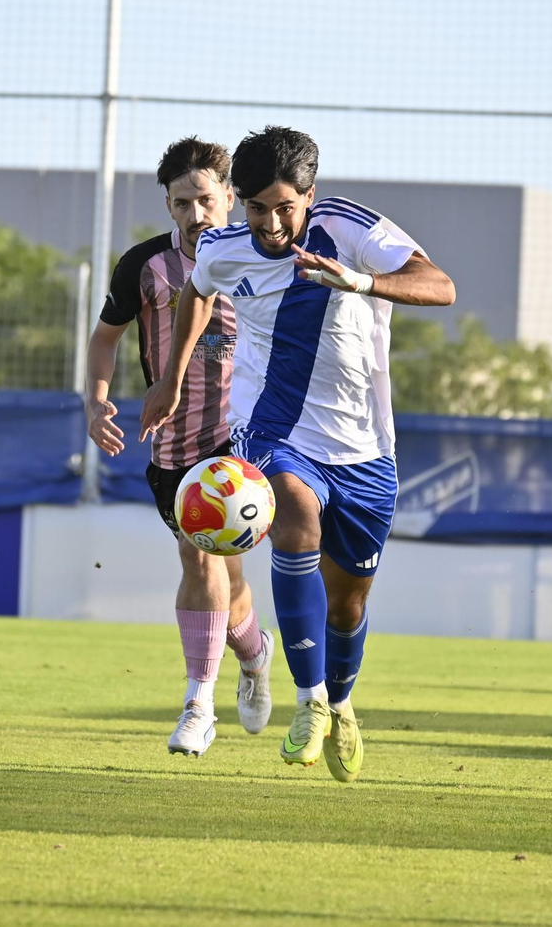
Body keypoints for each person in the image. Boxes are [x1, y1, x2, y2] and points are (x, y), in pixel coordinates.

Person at [140, 125, 455, 781]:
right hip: (273, 431)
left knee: (349, 604)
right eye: (256, 208)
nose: (271, 224)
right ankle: (308, 700)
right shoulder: (227, 247)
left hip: (366, 448)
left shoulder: (351, 230)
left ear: (309, 197)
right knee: (293, 514)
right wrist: (170, 380)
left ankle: (340, 702)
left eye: (284, 207)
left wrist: (361, 284)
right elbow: (198, 290)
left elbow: (439, 285)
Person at [86, 136, 273, 756]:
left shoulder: (267, 257)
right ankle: (253, 654)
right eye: (181, 203)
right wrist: (97, 400)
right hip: (174, 444)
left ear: (229, 197)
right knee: (219, 571)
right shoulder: (144, 265)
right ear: (168, 206)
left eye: (205, 200)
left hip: (246, 438)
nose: (195, 215)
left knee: (205, 562)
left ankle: (199, 704)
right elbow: (106, 338)